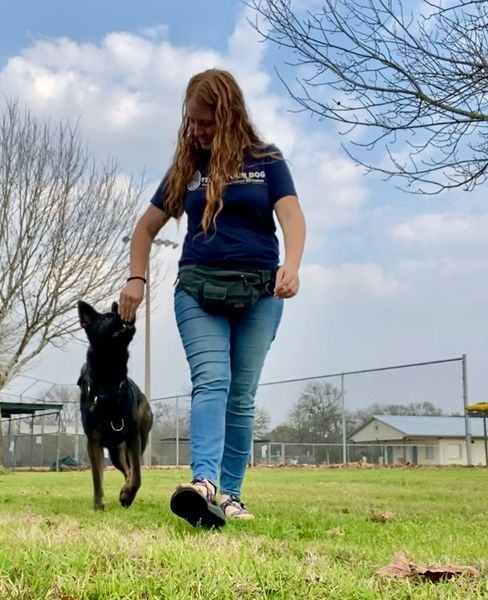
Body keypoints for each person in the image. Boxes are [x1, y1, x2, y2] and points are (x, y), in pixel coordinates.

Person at [119, 68, 305, 528]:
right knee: (212, 381)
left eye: (208, 122)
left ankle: (232, 496)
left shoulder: (266, 159)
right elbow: (144, 229)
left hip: (261, 290)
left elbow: (292, 215)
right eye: (193, 122)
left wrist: (293, 264)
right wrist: (136, 279)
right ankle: (202, 484)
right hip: (199, 290)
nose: (199, 131)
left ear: (230, 114)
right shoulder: (187, 168)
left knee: (241, 397)